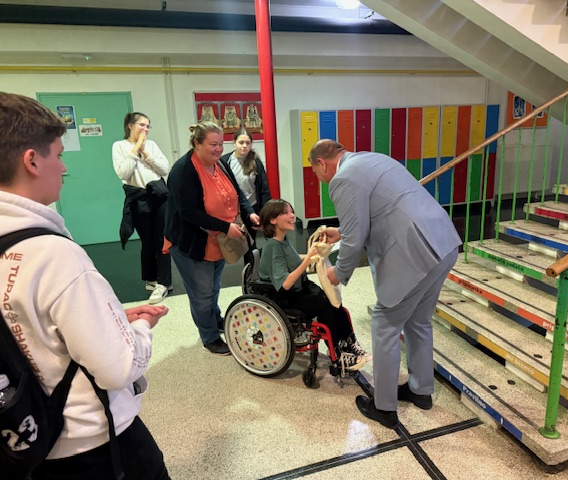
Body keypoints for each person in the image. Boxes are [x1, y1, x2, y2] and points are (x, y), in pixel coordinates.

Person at [0, 92, 170, 478]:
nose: (63, 168)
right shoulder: (54, 255)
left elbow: (25, 323)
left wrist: (105, 319)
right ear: (31, 161)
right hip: (95, 446)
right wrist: (141, 327)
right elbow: (118, 367)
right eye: (58, 155)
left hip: (31, 440)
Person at [308, 139, 462, 429]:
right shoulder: (373, 158)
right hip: (443, 242)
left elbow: (355, 238)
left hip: (415, 252)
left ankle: (384, 407)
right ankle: (420, 390)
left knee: (384, 324)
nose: (319, 178)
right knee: (418, 321)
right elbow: (380, 210)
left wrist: (337, 273)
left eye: (316, 173)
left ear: (321, 163)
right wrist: (341, 232)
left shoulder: (341, 178)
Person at [165, 121, 260, 356]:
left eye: (220, 144)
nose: (218, 149)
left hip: (218, 240)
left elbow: (238, 193)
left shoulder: (220, 164)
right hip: (192, 243)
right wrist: (225, 227)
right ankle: (209, 336)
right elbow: (188, 212)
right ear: (197, 144)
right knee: (202, 293)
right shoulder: (183, 171)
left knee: (213, 287)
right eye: (212, 144)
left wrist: (249, 212)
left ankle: (215, 319)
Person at [258, 199, 370, 373]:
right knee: (325, 306)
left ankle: (349, 342)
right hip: (284, 296)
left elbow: (294, 259)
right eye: (285, 213)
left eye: (291, 211)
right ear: (272, 220)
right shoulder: (272, 246)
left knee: (333, 300)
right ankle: (338, 354)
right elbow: (285, 283)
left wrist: (316, 254)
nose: (292, 215)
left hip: (299, 288)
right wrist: (309, 257)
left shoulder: (282, 240)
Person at [112, 112, 172, 304]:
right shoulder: (119, 146)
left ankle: (164, 283)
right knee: (147, 241)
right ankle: (151, 278)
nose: (145, 129)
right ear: (130, 126)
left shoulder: (152, 145)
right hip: (138, 198)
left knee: (162, 240)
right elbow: (123, 173)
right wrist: (136, 148)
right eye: (142, 125)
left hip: (159, 196)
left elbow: (164, 169)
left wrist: (146, 152)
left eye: (148, 126)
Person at [220, 128, 271, 261]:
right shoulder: (225, 161)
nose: (244, 146)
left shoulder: (255, 162)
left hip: (251, 209)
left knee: (250, 244)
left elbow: (264, 189)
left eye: (248, 143)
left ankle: (252, 270)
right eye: (241, 142)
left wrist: (264, 213)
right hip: (233, 210)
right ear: (234, 142)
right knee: (232, 244)